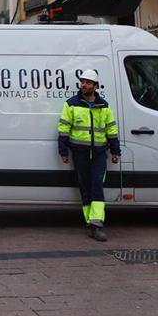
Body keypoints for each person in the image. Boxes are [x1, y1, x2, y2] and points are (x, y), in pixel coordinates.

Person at [57, 69, 120, 242]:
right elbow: (63, 129)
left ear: (95, 85)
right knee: (85, 188)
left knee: (97, 186)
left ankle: (97, 224)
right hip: (80, 154)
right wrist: (63, 151)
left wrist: (115, 151)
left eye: (88, 82)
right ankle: (90, 224)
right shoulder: (71, 104)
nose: (84, 84)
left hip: (99, 154)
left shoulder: (104, 106)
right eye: (82, 81)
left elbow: (111, 130)